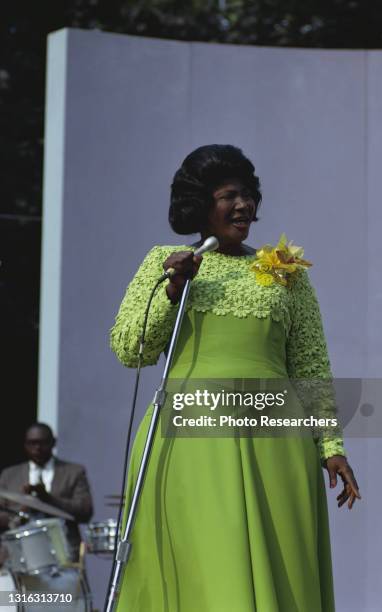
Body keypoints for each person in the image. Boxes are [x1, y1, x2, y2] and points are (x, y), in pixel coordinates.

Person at [110, 144, 361, 611]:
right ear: (200, 205)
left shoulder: (286, 272)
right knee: (205, 571)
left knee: (282, 568)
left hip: (275, 444)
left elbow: (310, 364)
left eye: (248, 194)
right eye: (229, 195)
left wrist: (331, 445)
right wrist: (172, 289)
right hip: (190, 444)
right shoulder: (165, 262)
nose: (244, 204)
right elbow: (131, 349)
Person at [0, 422, 93, 561]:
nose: (37, 448)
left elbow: (85, 512)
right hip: (18, 555)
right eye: (32, 443)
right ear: (25, 445)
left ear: (53, 443)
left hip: (63, 555)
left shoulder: (73, 472)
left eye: (43, 443)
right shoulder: (9, 475)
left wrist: (48, 499)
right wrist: (23, 510)